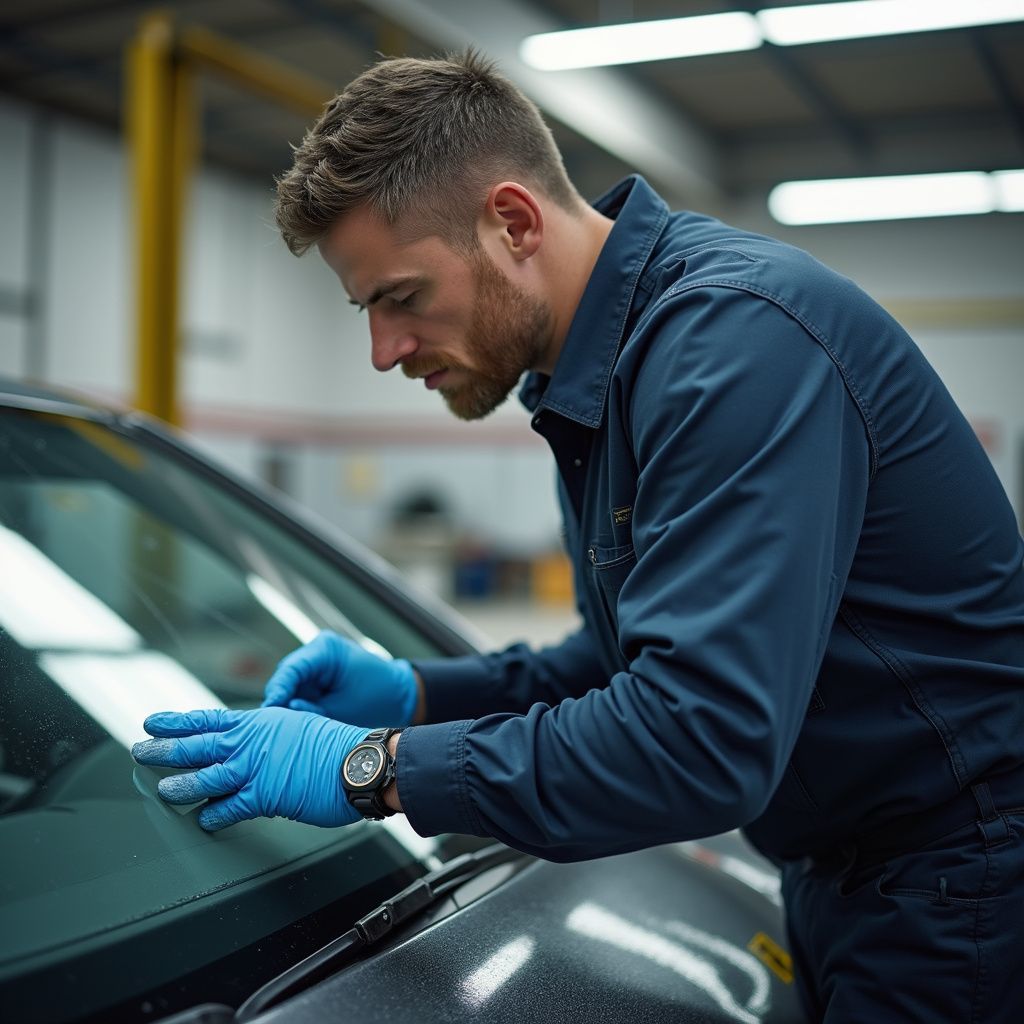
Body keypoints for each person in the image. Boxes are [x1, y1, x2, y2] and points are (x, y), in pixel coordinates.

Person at [132, 51, 1024, 1021]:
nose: (384, 351)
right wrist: (422, 691)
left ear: (511, 222)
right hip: (852, 870)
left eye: (400, 297)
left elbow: (697, 740)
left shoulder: (729, 342)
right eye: (367, 311)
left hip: (956, 880)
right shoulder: (595, 381)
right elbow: (623, 662)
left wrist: (369, 767)